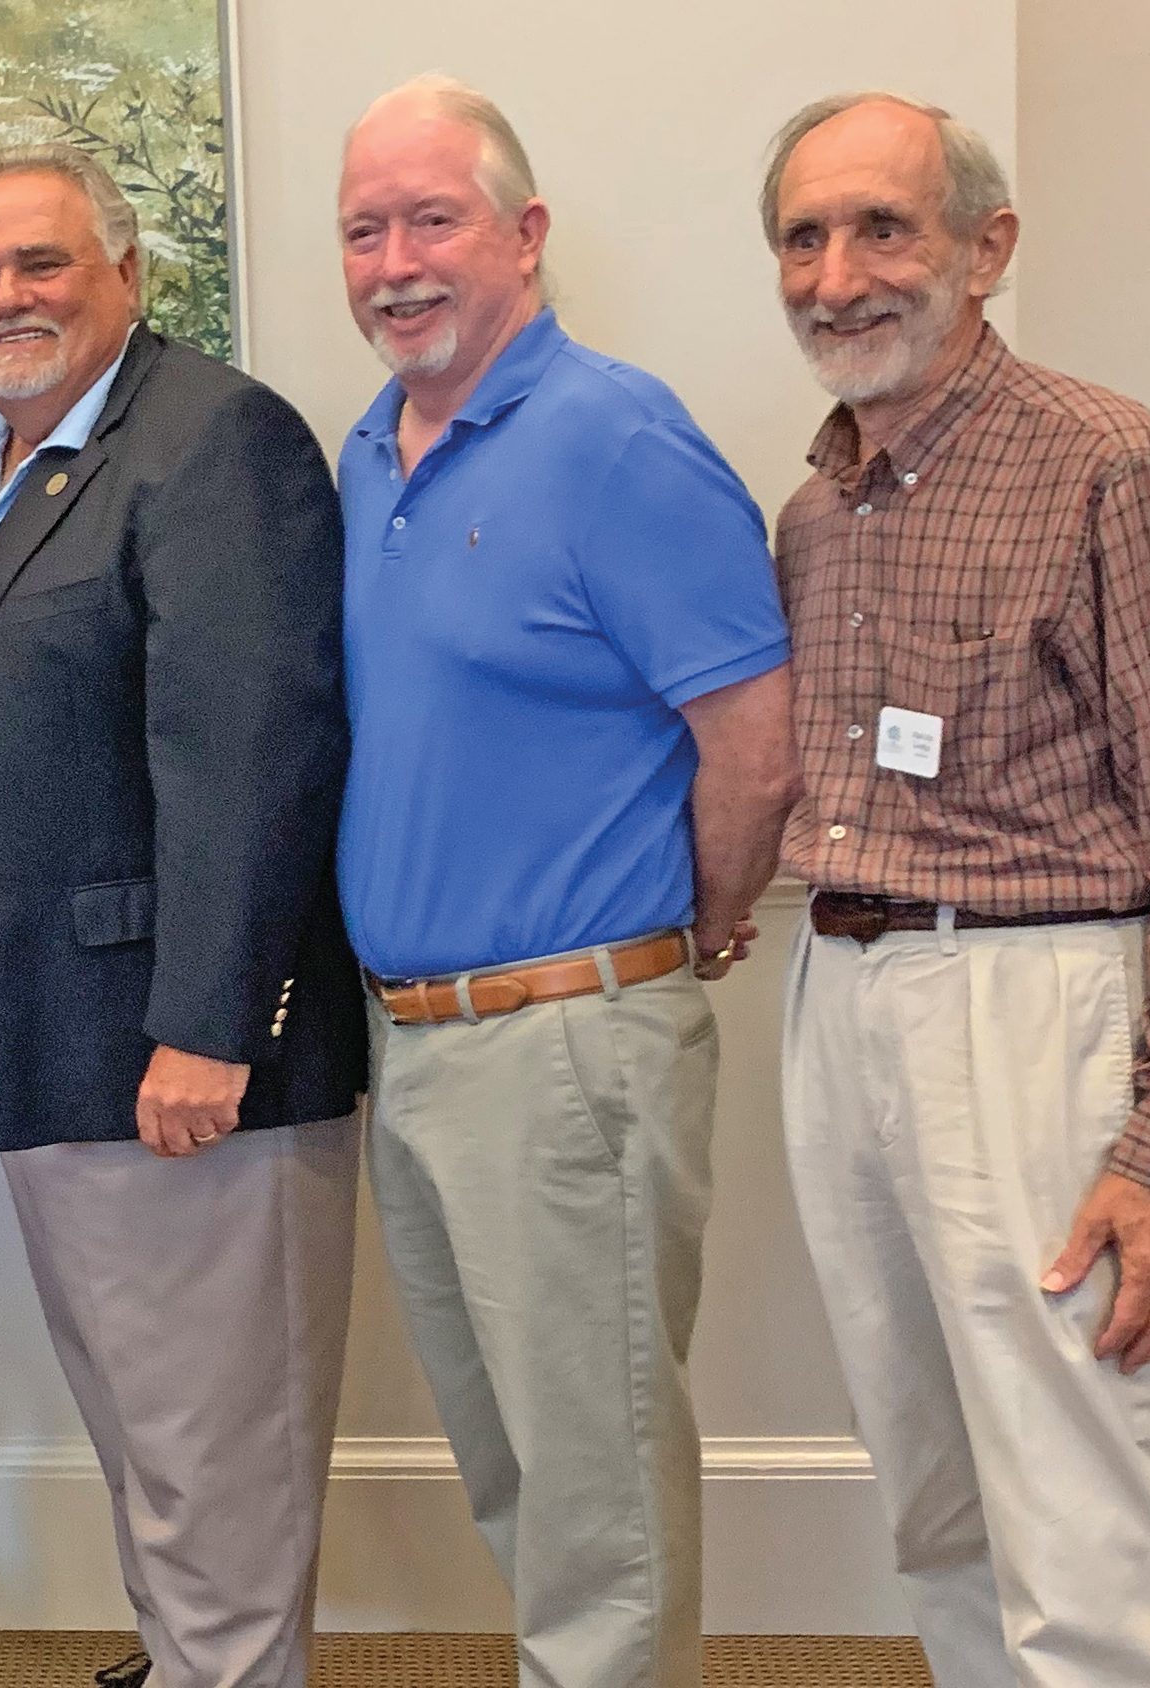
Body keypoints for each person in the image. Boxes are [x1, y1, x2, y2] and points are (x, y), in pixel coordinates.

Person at [761, 93, 1150, 1688]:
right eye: (802, 237)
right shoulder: (817, 514)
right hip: (843, 1002)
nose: (837, 275)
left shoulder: (1109, 467)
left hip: (1036, 1012)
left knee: (1091, 1516)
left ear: (986, 249)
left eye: (883, 228)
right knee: (939, 1500)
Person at [0, 143, 365, 1688]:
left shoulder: (213, 441)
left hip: (175, 1067)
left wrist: (208, 1026)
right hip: (56, 1051)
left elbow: (252, 749)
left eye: (41, 262)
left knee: (216, 1481)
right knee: (154, 1454)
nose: (5, 296)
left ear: (126, 274)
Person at [328, 79, 800, 1688]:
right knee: (522, 1481)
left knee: (600, 1510)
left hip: (569, 1044)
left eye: (432, 220)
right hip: (415, 1044)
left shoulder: (616, 439)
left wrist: (693, 927)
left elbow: (755, 745)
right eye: (365, 230)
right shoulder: (369, 452)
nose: (396, 263)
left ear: (524, 235)